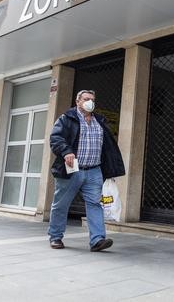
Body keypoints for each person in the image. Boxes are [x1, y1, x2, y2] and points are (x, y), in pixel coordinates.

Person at [47, 89, 125, 251]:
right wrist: (66, 151)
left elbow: (107, 148)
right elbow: (56, 138)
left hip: (94, 170)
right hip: (73, 168)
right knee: (61, 204)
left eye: (92, 99)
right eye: (86, 99)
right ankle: (55, 237)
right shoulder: (67, 119)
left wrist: (109, 168)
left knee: (95, 204)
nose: (90, 102)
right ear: (78, 101)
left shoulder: (100, 121)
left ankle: (97, 240)